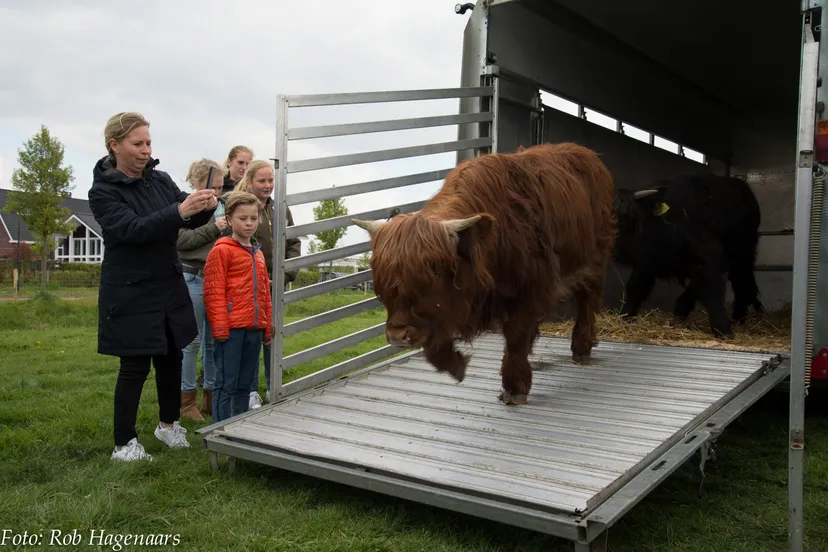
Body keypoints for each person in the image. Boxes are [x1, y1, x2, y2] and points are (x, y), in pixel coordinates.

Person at [88, 112, 218, 462]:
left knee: (171, 356)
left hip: (167, 284)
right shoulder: (103, 192)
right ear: (115, 145)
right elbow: (132, 230)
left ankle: (168, 424)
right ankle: (124, 443)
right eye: (138, 143)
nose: (146, 150)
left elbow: (183, 215)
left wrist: (203, 208)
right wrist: (180, 211)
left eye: (148, 143)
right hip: (130, 289)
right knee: (134, 367)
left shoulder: (159, 180)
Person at [233, 160, 301, 408]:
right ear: (250, 182)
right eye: (262, 181)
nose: (268, 185)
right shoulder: (242, 208)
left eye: (270, 180)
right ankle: (250, 391)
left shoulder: (281, 208)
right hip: (250, 287)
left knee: (274, 336)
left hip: (276, 285)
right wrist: (257, 278)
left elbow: (293, 242)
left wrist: (286, 274)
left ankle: (275, 387)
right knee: (252, 338)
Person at [203, 191, 273, 421]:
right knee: (226, 384)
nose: (249, 223)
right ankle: (220, 431)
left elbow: (264, 294)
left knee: (245, 384)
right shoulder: (222, 250)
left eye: (254, 218)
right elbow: (214, 292)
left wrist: (266, 326)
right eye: (243, 218)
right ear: (230, 218)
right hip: (231, 331)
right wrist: (220, 329)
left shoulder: (258, 254)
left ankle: (240, 427)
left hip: (253, 329)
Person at [175, 158, 229, 421]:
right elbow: (181, 242)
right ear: (197, 183)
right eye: (214, 187)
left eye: (220, 187)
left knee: (212, 341)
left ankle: (210, 396)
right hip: (192, 278)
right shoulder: (185, 207)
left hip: (216, 279)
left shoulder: (223, 207)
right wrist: (213, 228)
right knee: (192, 342)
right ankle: (187, 403)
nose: (217, 193)